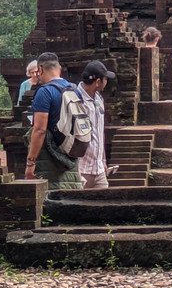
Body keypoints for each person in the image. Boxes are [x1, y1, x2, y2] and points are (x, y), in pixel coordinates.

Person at [23, 53, 81, 189]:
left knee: (50, 197)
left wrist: (30, 163)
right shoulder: (74, 89)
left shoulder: (45, 92)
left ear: (40, 69)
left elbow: (40, 130)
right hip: (71, 157)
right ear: (59, 69)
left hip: (49, 161)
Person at [77, 59, 115, 189]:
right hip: (81, 169)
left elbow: (100, 131)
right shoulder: (74, 99)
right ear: (98, 82)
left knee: (106, 200)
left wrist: (103, 160)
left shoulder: (99, 99)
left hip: (99, 169)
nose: (106, 82)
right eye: (105, 79)